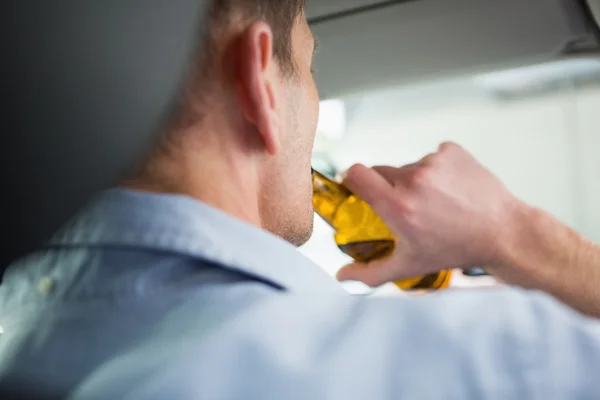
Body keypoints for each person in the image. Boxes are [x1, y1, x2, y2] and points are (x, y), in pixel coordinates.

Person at [0, 0, 599, 398]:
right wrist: (514, 232)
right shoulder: (482, 360)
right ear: (259, 80)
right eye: (313, 70)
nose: (314, 102)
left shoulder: (22, 345)